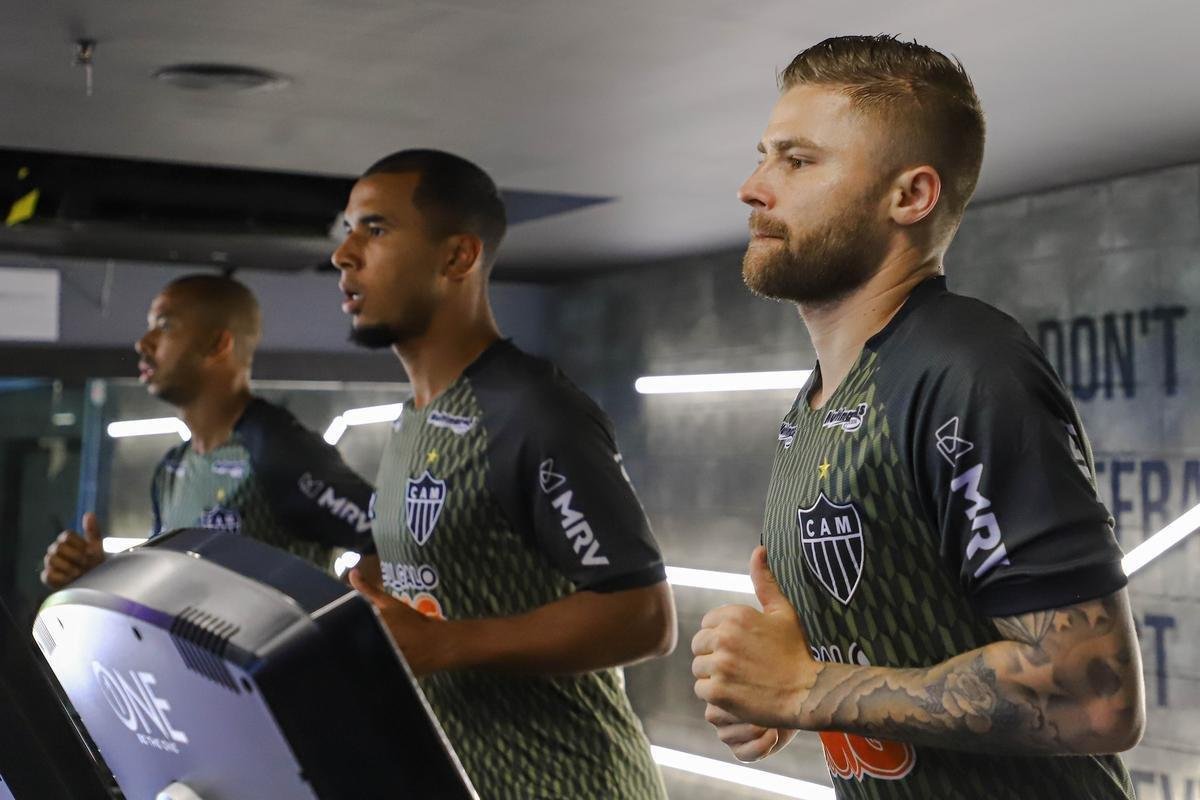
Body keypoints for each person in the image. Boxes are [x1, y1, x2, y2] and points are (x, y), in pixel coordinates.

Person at [690, 35, 1144, 799]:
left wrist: (807, 688)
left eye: (796, 161)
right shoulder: (819, 405)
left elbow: (1094, 695)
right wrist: (772, 688)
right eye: (764, 155)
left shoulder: (966, 365)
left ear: (910, 197)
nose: (753, 187)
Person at [333, 149, 674, 799]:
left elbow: (643, 616)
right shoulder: (417, 417)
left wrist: (445, 645)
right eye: (346, 230)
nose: (344, 254)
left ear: (457, 257)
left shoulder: (532, 410)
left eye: (374, 229)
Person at [40, 274, 378, 589]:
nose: (143, 343)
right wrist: (101, 572)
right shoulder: (173, 467)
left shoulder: (277, 449)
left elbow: (385, 539)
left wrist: (339, 623)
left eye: (165, 326)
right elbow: (171, 585)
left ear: (218, 345)